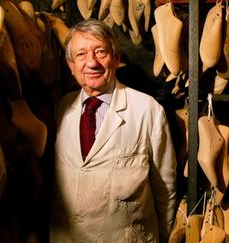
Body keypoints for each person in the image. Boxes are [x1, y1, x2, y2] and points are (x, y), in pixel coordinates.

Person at [50, 19, 177, 243]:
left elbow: (165, 189)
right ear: (71, 66)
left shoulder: (147, 110)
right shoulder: (62, 108)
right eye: (81, 55)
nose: (92, 62)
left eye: (100, 52)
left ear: (116, 59)